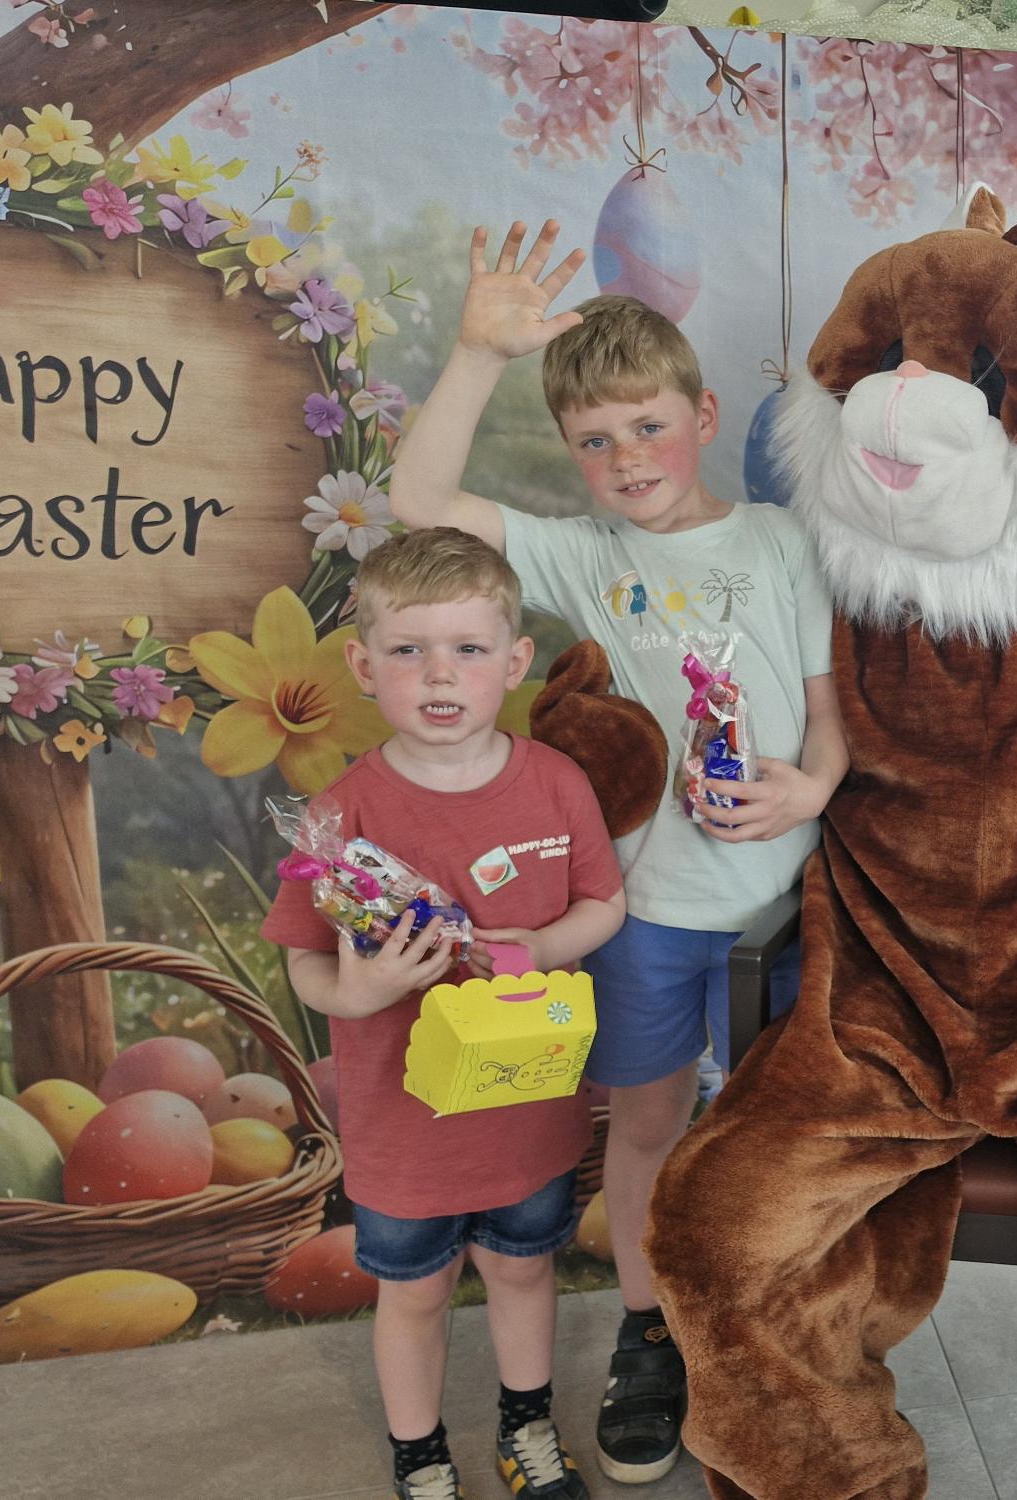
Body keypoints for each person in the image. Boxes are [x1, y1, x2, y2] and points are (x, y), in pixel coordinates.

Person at [389, 221, 847, 1485]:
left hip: (784, 913)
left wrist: (812, 784)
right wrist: (478, 355)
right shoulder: (585, 558)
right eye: (594, 441)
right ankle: (649, 1334)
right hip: (645, 916)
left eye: (647, 427)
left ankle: (766, 1331)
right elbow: (418, 503)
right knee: (646, 1123)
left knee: (776, 1134)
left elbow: (830, 709)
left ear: (703, 416)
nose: (625, 458)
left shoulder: (782, 541)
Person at [264, 527, 628, 1500]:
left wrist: (540, 947)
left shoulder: (556, 783)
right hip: (405, 1127)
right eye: (407, 649)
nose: (439, 673)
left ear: (513, 662)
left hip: (527, 1110)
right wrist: (358, 993)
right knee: (415, 1293)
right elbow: (304, 960)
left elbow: (605, 903)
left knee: (523, 1273)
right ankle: (419, 1454)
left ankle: (526, 1425)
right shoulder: (340, 814)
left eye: (468, 648)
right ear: (362, 666)